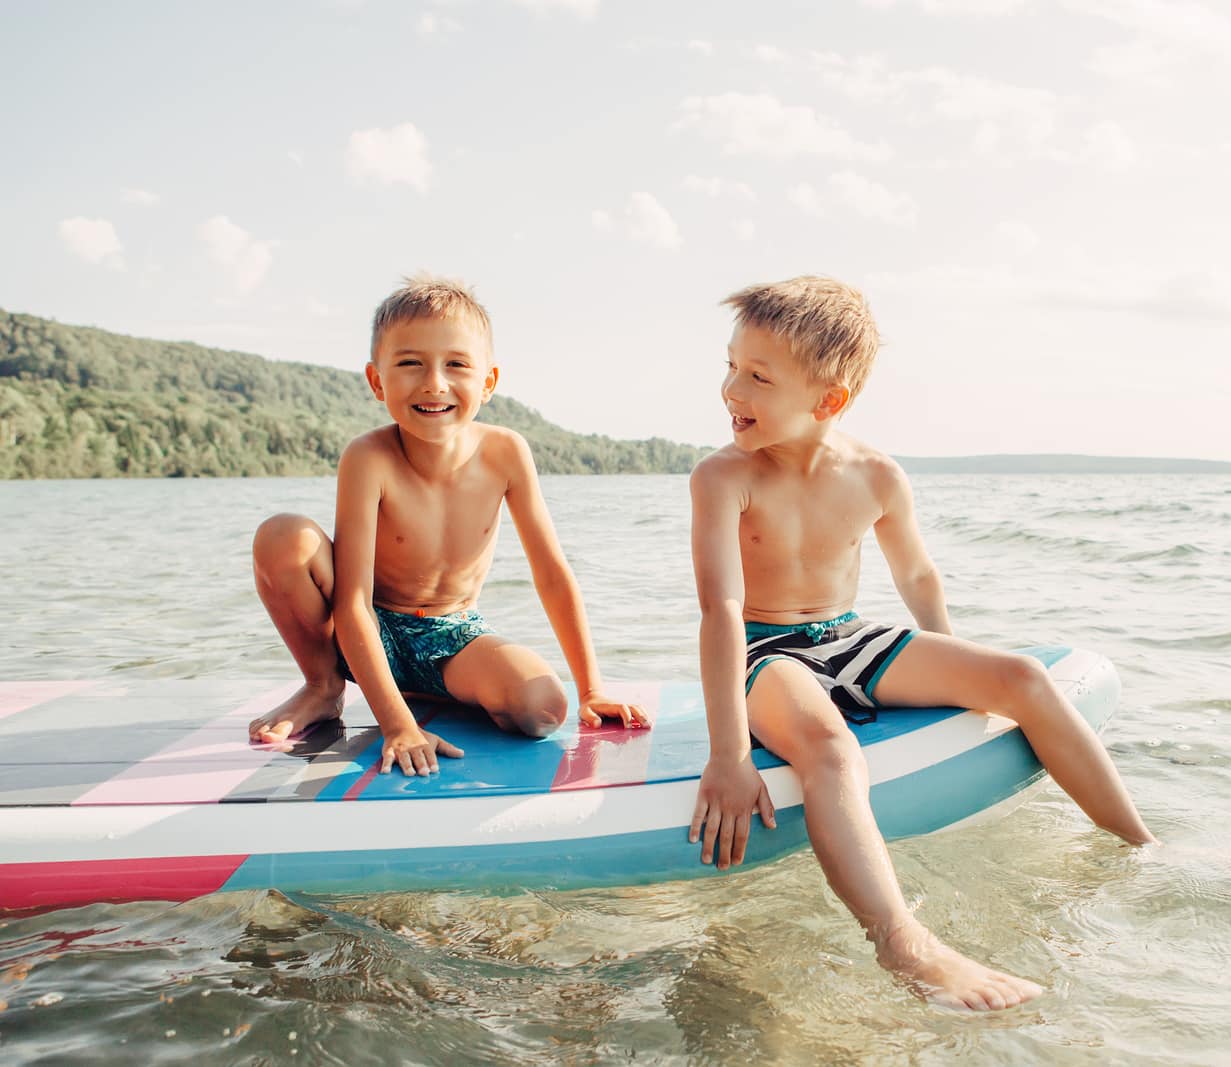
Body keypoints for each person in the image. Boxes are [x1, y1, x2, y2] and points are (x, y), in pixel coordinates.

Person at [687, 276, 1156, 1011]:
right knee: (830, 749)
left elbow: (917, 573)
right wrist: (729, 753)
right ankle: (904, 943)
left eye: (757, 376)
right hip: (764, 651)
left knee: (1024, 678)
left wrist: (953, 671)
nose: (729, 388)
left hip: (851, 636)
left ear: (829, 400)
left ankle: (1141, 844)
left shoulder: (876, 475)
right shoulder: (722, 475)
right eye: (731, 365)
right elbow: (720, 610)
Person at [247, 274, 647, 773]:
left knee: (544, 708)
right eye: (410, 363)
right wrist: (396, 724)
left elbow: (552, 574)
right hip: (366, 627)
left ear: (488, 381)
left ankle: (433, 689)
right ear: (377, 381)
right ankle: (323, 686)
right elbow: (350, 601)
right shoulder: (369, 457)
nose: (434, 383)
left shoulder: (506, 452)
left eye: (456, 364)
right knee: (283, 536)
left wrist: (592, 690)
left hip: (452, 637)